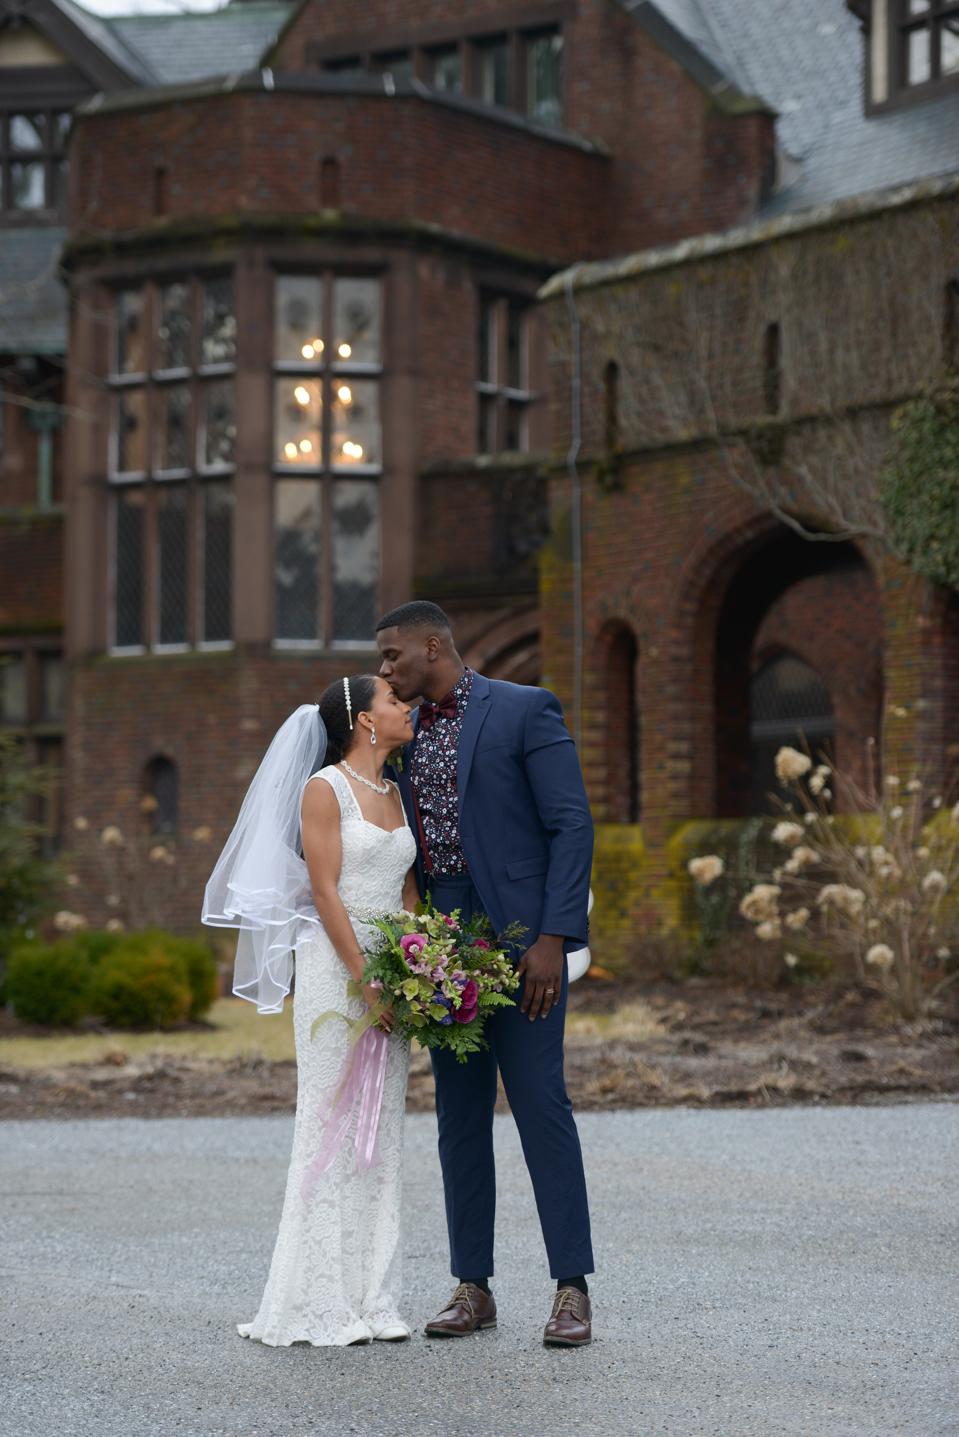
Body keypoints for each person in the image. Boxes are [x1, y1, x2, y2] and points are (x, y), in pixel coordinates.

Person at [376, 600, 595, 1348]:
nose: (385, 670)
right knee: (457, 1118)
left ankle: (571, 1288)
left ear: (432, 644)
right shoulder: (399, 733)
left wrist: (552, 937)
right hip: (442, 940)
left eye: (393, 656)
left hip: (520, 936)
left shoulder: (524, 710)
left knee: (541, 1105)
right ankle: (473, 1285)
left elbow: (571, 822)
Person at [202, 675, 418, 1346]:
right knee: (330, 1121)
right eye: (391, 699)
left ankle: (372, 1294)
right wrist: (367, 981)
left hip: (394, 969)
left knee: (381, 1129)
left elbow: (407, 887)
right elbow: (325, 892)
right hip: (337, 969)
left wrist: (418, 965)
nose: (404, 705)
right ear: (363, 720)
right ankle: (321, 1299)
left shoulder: (396, 790)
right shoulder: (322, 788)